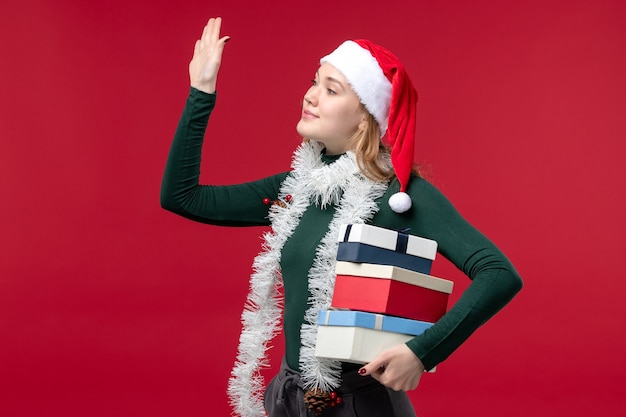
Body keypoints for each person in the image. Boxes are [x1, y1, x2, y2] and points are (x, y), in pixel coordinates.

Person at [161, 17, 523, 417]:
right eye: (315, 81)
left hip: (358, 404)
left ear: (365, 116)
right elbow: (183, 197)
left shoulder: (400, 196)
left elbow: (499, 274)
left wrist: (420, 353)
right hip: (286, 395)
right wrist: (201, 91)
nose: (310, 96)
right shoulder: (297, 188)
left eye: (330, 90)